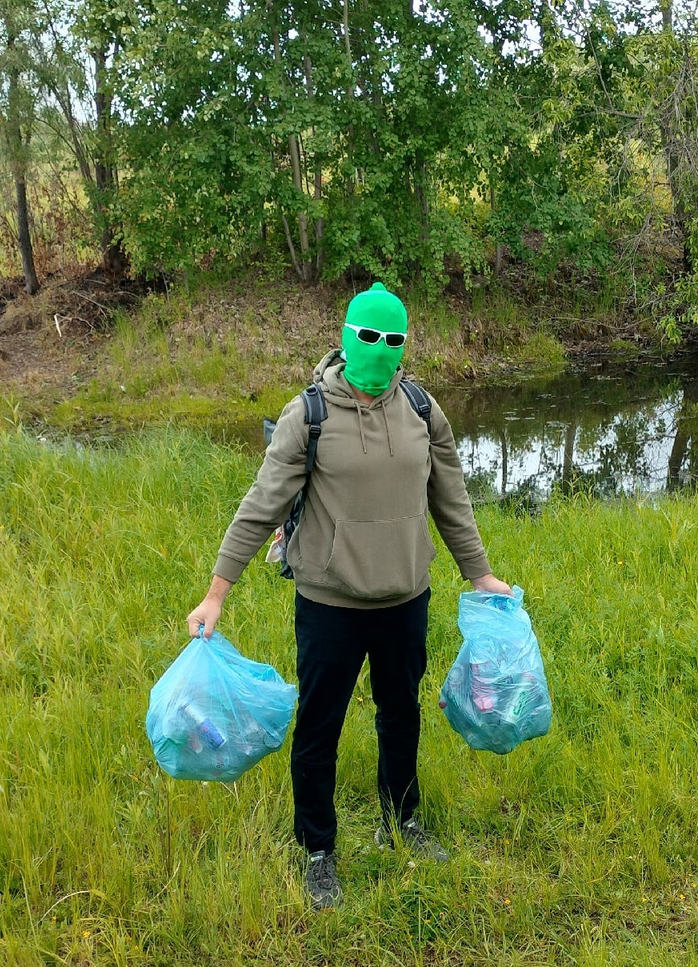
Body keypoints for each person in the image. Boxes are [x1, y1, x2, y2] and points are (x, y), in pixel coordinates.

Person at [186, 282, 511, 911]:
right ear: (345, 336)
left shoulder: (421, 409)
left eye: (394, 340)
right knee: (320, 728)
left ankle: (405, 822)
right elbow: (262, 507)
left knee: (401, 715)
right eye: (369, 336)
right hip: (331, 604)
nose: (380, 351)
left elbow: (451, 497)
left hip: (406, 599)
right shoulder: (308, 415)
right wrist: (216, 593)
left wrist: (479, 573)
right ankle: (318, 851)